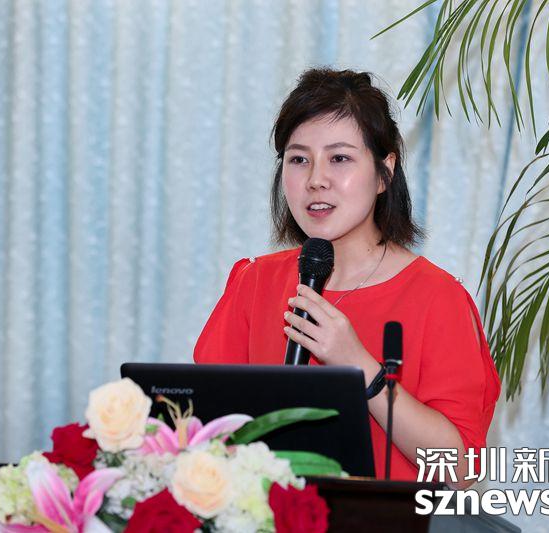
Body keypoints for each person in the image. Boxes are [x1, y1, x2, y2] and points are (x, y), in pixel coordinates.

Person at [193, 68, 500, 486]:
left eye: (339, 158)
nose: (316, 180)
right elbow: (204, 429)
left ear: (384, 172)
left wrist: (359, 365)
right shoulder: (255, 282)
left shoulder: (437, 298)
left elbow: (460, 471)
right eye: (299, 159)